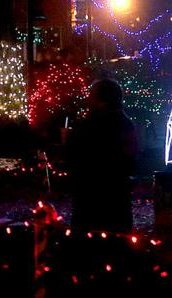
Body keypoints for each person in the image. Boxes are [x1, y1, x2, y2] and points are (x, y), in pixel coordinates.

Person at [66, 78, 138, 233]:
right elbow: (131, 159)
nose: (88, 100)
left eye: (91, 96)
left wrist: (69, 140)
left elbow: (78, 156)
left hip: (91, 197)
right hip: (117, 196)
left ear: (102, 100)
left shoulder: (92, 124)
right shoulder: (125, 123)